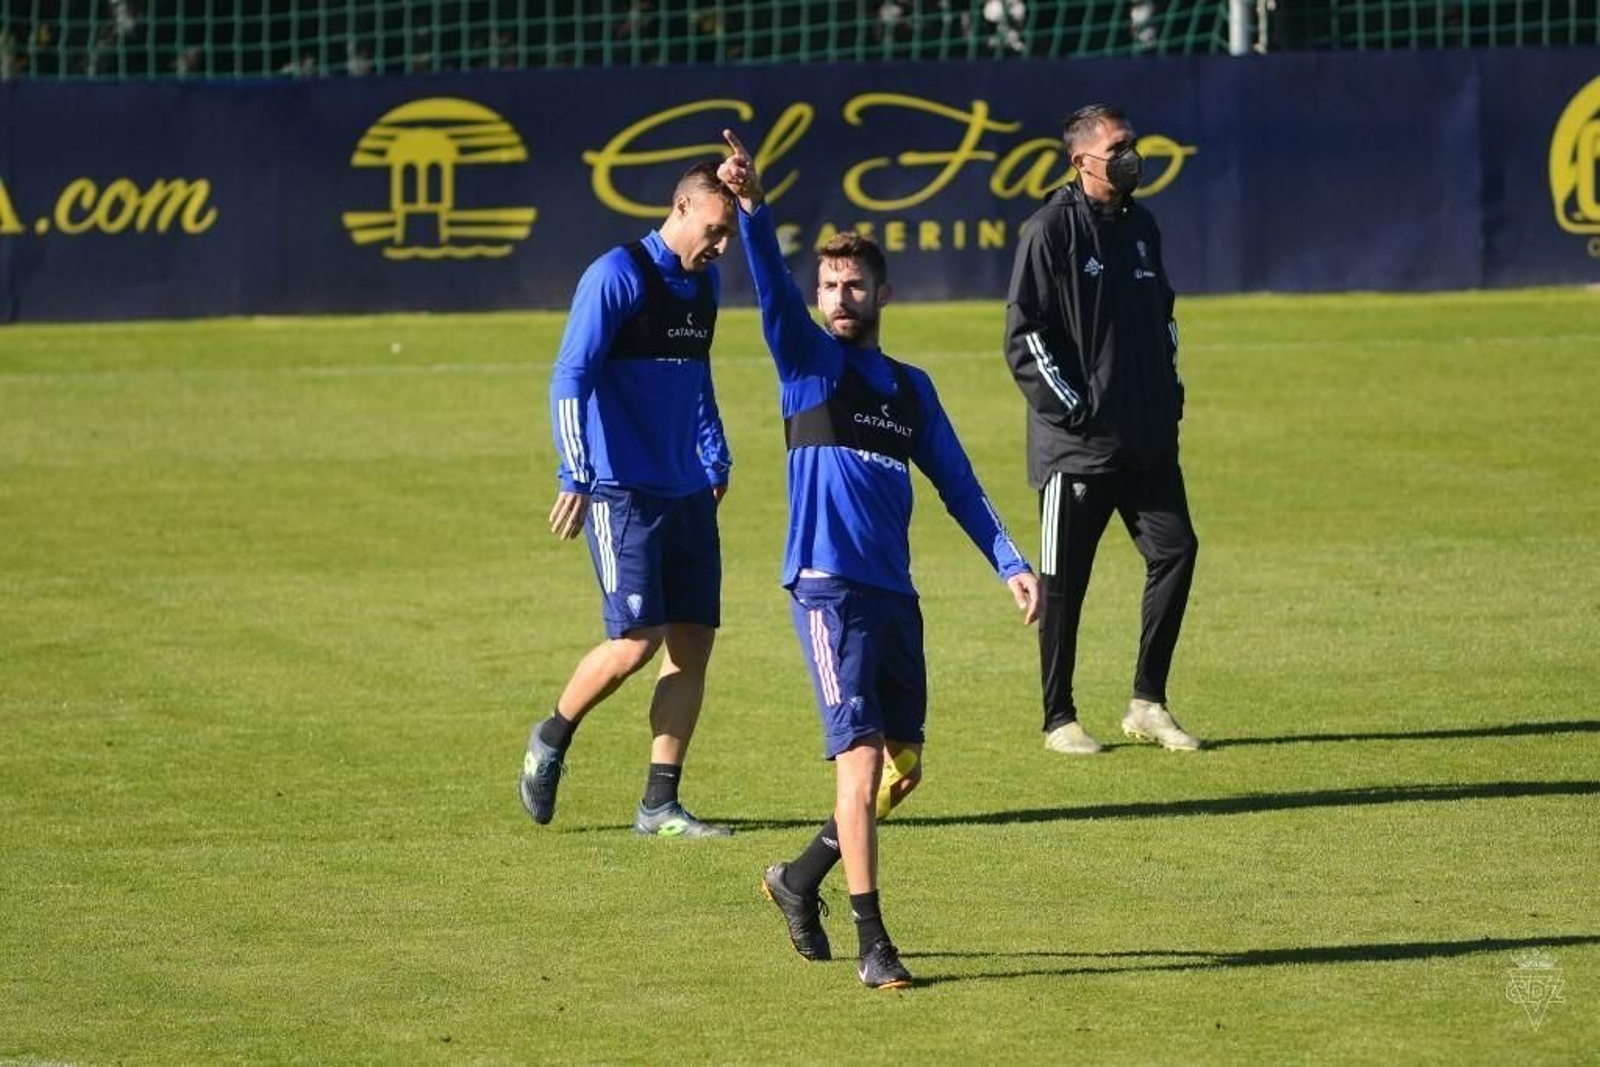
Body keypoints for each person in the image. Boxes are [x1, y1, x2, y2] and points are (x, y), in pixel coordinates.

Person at [717, 130, 1041, 989]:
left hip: (895, 597)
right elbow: (771, 295)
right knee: (857, 766)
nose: (839, 294)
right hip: (828, 592)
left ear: (883, 291)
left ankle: (796, 877)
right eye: (828, 283)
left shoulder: (910, 388)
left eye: (854, 282)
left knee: (904, 768)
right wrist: (753, 209)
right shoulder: (806, 365)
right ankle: (873, 943)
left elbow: (961, 485)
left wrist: (1009, 558)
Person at [519, 161, 738, 837]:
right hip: (623, 491)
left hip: (688, 489)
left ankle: (659, 804)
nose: (722, 246)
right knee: (636, 642)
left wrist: (715, 451)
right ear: (680, 208)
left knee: (693, 642)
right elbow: (571, 374)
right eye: (715, 230)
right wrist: (575, 472)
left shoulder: (703, 287)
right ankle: (551, 736)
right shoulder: (615, 276)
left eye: (729, 235)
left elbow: (697, 376)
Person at [1002, 103, 1201, 756]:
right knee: (1063, 584)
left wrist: (1168, 390)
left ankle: (1148, 701)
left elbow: (1164, 316)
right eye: (1118, 146)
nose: (1130, 155)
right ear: (1082, 159)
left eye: (1133, 143)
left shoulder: (1142, 226)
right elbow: (1023, 335)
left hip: (1146, 441)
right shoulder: (1049, 231)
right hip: (1077, 451)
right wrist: (1076, 410)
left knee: (1176, 551)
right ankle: (1058, 717)